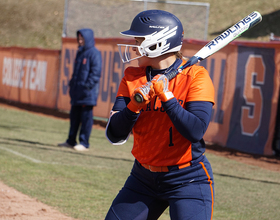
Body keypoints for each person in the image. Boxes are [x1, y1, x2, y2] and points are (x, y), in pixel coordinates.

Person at [105, 10, 215, 220]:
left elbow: (196, 131)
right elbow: (114, 134)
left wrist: (167, 97)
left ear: (158, 43)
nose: (134, 47)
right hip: (142, 178)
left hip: (188, 178)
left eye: (139, 41)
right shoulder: (132, 77)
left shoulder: (196, 76)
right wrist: (133, 107)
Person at [58, 28, 102, 151]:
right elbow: (76, 73)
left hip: (87, 95)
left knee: (86, 119)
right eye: (79, 38)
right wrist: (72, 86)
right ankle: (71, 141)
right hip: (77, 93)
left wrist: (87, 87)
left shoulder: (94, 53)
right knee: (74, 118)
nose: (80, 40)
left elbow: (96, 73)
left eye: (82, 38)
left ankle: (84, 143)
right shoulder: (80, 52)